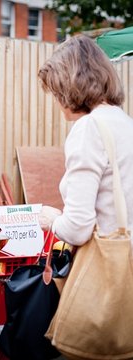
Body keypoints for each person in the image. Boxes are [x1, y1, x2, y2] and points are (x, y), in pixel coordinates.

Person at [37, 34, 133, 247]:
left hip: (107, 267)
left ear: (68, 86)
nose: (56, 101)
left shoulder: (89, 128)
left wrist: (51, 220)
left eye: (55, 91)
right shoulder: (125, 122)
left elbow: (77, 229)